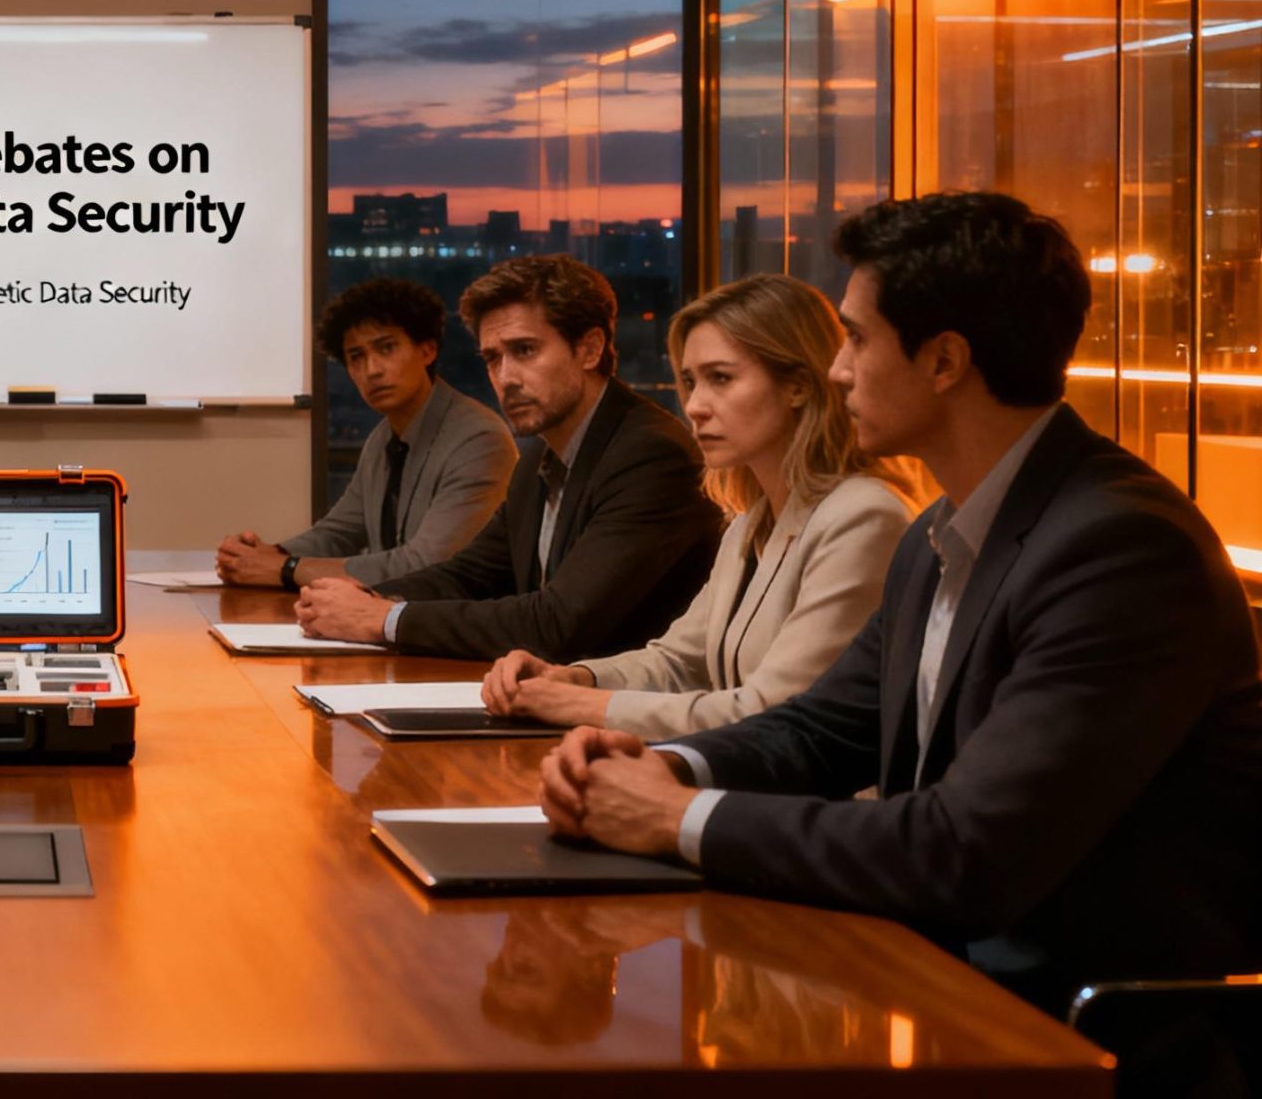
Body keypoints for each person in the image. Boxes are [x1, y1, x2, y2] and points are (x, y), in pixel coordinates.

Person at [540, 192, 1262, 1038]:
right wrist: (663, 767)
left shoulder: (1120, 548)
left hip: (1073, 1031)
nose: (838, 369)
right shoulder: (939, 532)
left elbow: (965, 855)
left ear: (945, 361)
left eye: (855, 338)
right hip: (947, 978)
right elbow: (818, 730)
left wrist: (675, 818)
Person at [480, 273, 920, 739]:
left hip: (816, 806)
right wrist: (573, 677)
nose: (695, 406)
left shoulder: (862, 517)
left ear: (799, 386)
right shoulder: (749, 523)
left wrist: (583, 703)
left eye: (721, 379)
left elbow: (771, 712)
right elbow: (679, 662)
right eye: (691, 381)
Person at [294, 253, 720, 660]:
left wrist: (385, 620)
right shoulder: (541, 457)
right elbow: (469, 574)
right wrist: (365, 599)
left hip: (624, 718)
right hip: (549, 695)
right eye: (492, 358)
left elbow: (559, 623)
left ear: (590, 348)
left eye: (525, 351)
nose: (505, 377)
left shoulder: (650, 455)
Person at [215, 277, 515, 591]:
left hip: (452, 628)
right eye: (356, 357)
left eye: (386, 348)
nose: (372, 369)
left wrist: (285, 568)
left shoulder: (479, 440)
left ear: (427, 350)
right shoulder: (384, 437)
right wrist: (260, 556)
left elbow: (427, 564)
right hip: (393, 619)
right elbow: (339, 532)